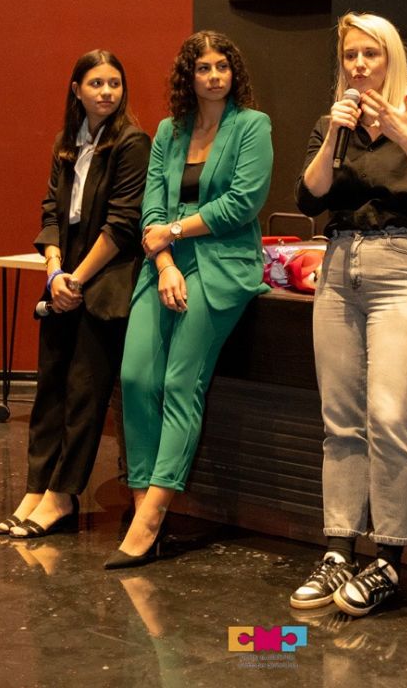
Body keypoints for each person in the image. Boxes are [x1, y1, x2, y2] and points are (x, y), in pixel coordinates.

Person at [290, 12, 407, 617]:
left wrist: (406, 135)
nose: (360, 65)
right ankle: (338, 550)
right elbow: (308, 198)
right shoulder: (331, 122)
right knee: (340, 419)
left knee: (388, 414)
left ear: (391, 58)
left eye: (371, 54)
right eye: (350, 56)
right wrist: (334, 137)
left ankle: (388, 558)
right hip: (341, 266)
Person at [104, 31, 273, 570]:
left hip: (223, 264)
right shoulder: (168, 131)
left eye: (223, 66)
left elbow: (241, 204)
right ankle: (141, 503)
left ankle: (152, 515)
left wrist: (174, 232)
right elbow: (151, 209)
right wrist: (165, 262)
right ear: (189, 76)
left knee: (181, 382)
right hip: (167, 265)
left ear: (234, 72)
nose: (214, 76)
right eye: (203, 68)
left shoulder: (253, 126)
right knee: (135, 378)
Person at [0, 50, 150, 540]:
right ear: (77, 89)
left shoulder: (132, 142)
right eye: (96, 83)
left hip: (104, 275)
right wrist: (55, 270)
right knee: (51, 388)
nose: (107, 92)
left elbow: (122, 225)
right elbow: (50, 210)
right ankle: (36, 488)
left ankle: (62, 496)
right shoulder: (67, 141)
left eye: (115, 83)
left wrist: (75, 280)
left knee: (84, 393)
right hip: (66, 270)